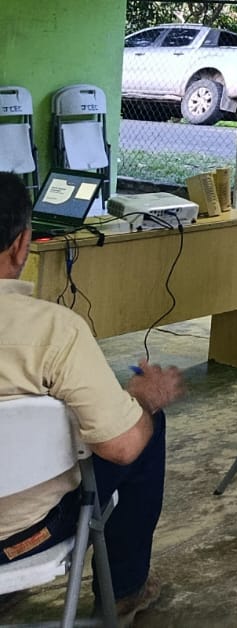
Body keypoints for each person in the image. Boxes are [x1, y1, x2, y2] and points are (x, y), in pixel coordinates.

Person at [0, 173, 185, 624]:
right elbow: (121, 447)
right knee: (143, 428)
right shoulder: (55, 331)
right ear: (22, 244)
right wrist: (143, 400)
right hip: (20, 538)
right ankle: (123, 590)